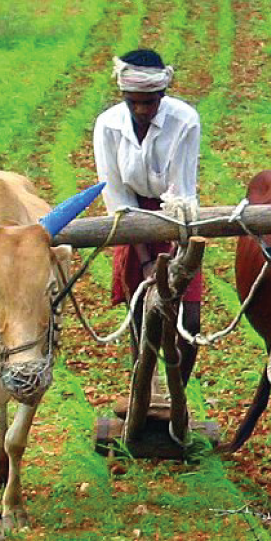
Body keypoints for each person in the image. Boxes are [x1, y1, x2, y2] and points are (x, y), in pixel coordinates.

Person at [93, 48, 202, 386]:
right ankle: (144, 388)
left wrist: (175, 262)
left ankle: (176, 395)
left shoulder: (184, 120)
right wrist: (143, 261)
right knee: (142, 311)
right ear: (124, 96)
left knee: (190, 318)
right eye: (133, 102)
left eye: (149, 102)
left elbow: (180, 192)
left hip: (176, 218)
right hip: (131, 221)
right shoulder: (108, 125)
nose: (141, 110)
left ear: (162, 94)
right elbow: (117, 196)